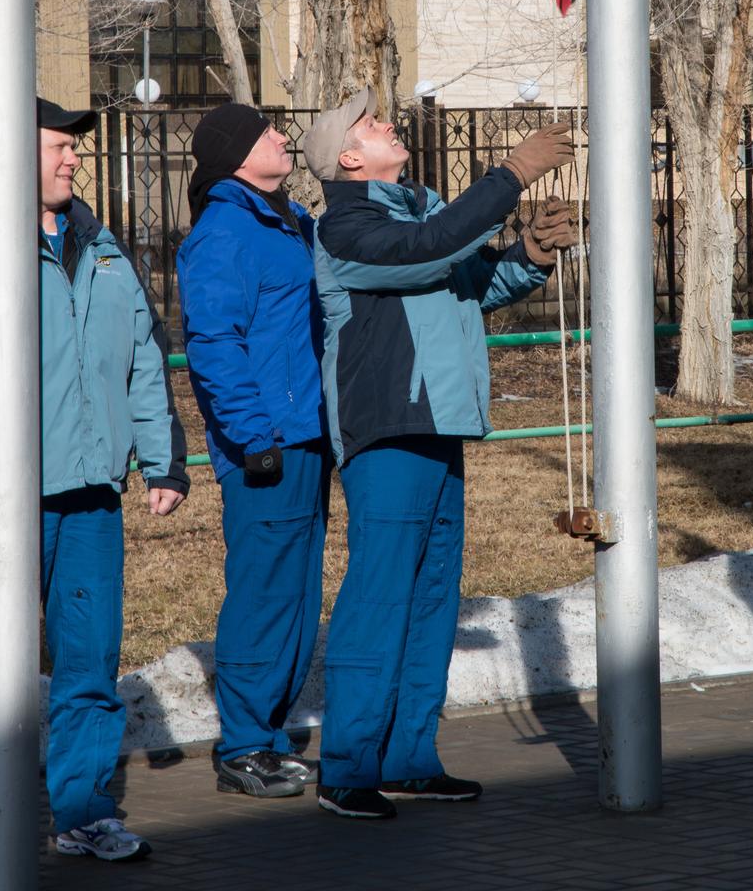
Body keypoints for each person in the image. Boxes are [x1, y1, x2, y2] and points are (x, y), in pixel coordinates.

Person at [302, 88, 577, 819]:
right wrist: (511, 174)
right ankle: (347, 769)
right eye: (369, 122)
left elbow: (468, 281)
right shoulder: (345, 227)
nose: (388, 122)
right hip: (388, 430)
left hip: (437, 426)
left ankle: (407, 761)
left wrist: (531, 253)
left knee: (430, 600)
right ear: (349, 158)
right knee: (381, 596)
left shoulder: (417, 216)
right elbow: (424, 254)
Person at [39, 97, 189, 863]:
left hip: (90, 495)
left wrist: (161, 460)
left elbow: (141, 359)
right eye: (58, 146)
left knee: (89, 661)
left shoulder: (103, 249)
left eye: (74, 148)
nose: (73, 159)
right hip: (12, 501)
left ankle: (82, 812)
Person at [177, 104, 331, 800]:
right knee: (264, 595)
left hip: (305, 435)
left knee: (295, 593)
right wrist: (252, 435)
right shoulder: (225, 230)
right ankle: (243, 743)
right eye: (268, 131)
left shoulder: (284, 219)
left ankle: (268, 734)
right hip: (265, 445)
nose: (283, 137)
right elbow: (213, 343)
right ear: (238, 154)